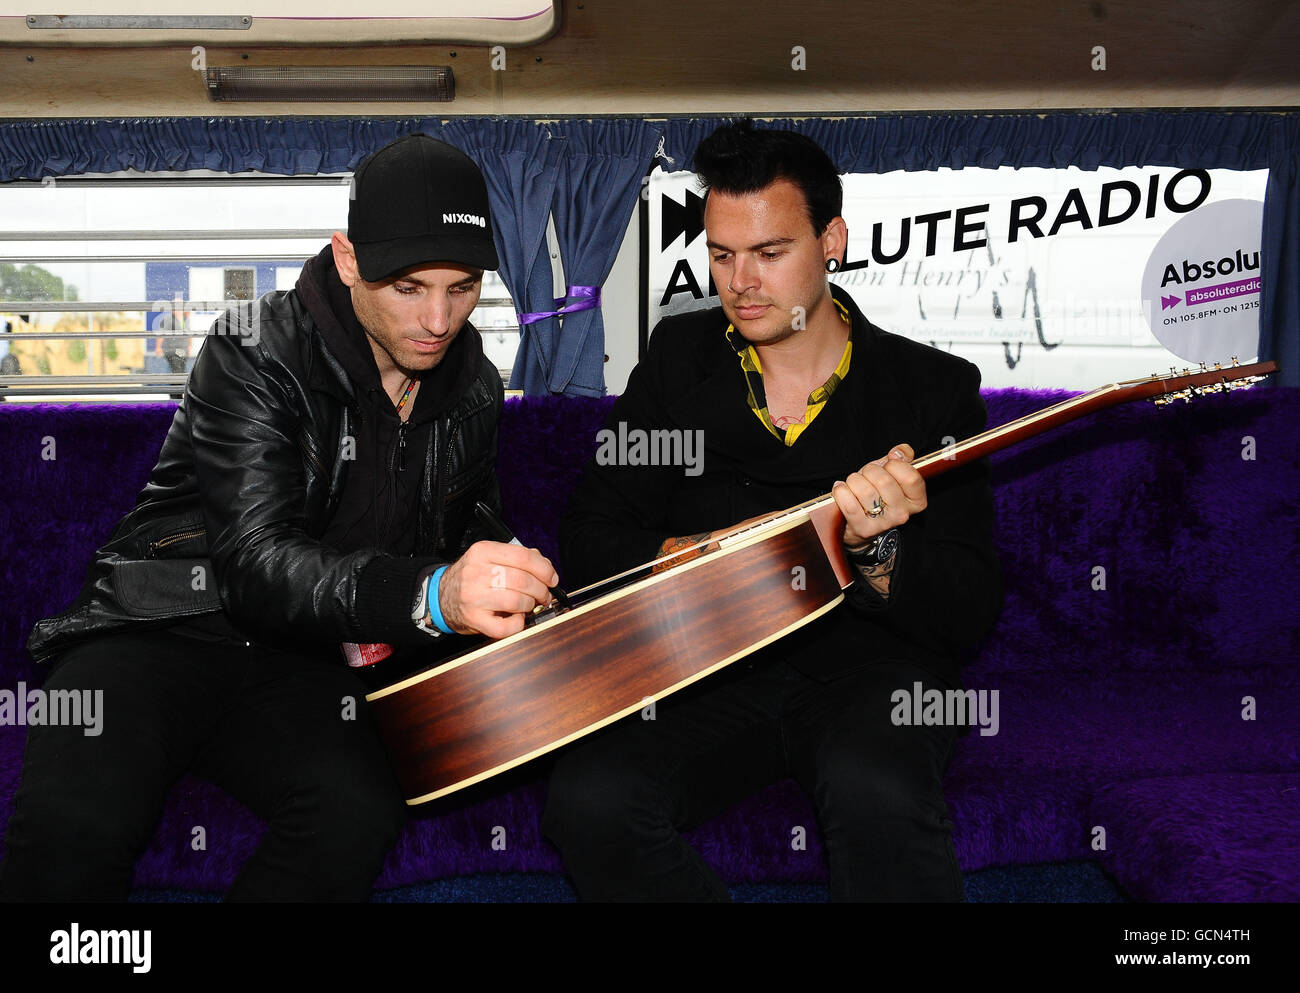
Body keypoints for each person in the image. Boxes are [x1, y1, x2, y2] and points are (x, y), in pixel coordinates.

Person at [0, 133, 558, 902]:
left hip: (302, 662)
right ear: (349, 257)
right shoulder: (253, 349)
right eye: (408, 286)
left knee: (357, 808)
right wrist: (431, 596)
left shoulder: (472, 392)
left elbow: (467, 532)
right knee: (73, 827)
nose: (438, 318)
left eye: (462, 287)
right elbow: (256, 564)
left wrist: (510, 584)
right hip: (163, 626)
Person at [542, 121, 1004, 902]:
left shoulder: (932, 389)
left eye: (770, 252)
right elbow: (586, 540)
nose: (740, 282)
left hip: (872, 672)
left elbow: (969, 611)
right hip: (709, 671)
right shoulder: (676, 362)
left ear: (833, 240)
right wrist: (682, 556)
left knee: (877, 790)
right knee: (588, 801)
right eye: (721, 254)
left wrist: (880, 551)